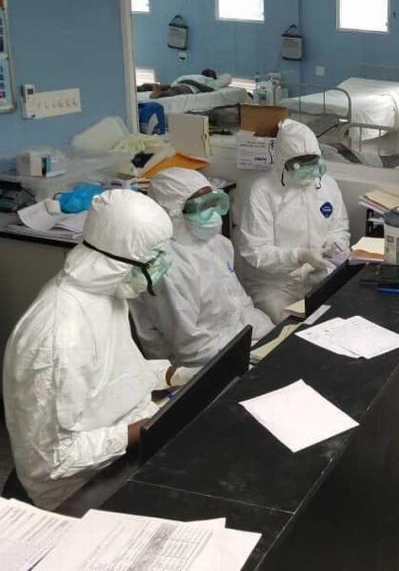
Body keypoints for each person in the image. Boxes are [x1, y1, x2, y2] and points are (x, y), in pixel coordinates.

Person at [2, 190, 191, 509]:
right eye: (153, 259)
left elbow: (117, 377)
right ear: (117, 262)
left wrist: (176, 374)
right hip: (78, 486)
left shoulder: (108, 294)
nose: (162, 267)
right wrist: (143, 427)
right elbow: (51, 461)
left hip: (124, 444)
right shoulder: (58, 335)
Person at [131, 168, 272, 367]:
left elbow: (240, 305)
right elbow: (190, 348)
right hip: (196, 365)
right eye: (201, 206)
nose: (212, 213)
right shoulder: (165, 269)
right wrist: (249, 354)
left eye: (212, 202)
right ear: (174, 212)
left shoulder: (218, 244)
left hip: (236, 341)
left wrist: (271, 334)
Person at [237, 119, 350, 322]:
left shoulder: (327, 184)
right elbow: (256, 252)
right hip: (276, 285)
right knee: (285, 330)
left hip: (318, 274)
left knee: (335, 320)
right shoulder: (262, 192)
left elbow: (339, 226)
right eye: (300, 163)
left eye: (313, 161)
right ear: (283, 160)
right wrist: (299, 256)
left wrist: (335, 245)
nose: (309, 169)